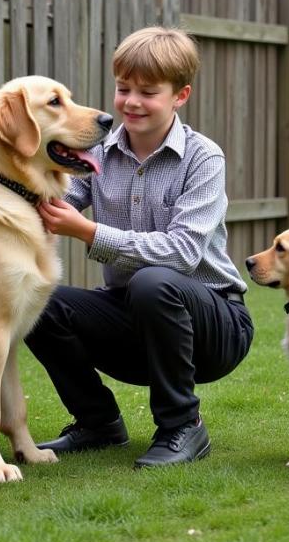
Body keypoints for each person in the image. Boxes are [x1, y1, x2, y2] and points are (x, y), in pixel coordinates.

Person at [26, 26, 253, 468]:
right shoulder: (98, 153)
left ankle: (183, 427)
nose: (131, 102)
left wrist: (89, 233)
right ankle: (98, 422)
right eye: (123, 88)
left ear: (180, 96)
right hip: (136, 316)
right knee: (37, 300)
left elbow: (183, 252)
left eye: (148, 92)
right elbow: (54, 201)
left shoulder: (204, 158)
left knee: (153, 282)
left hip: (215, 326)